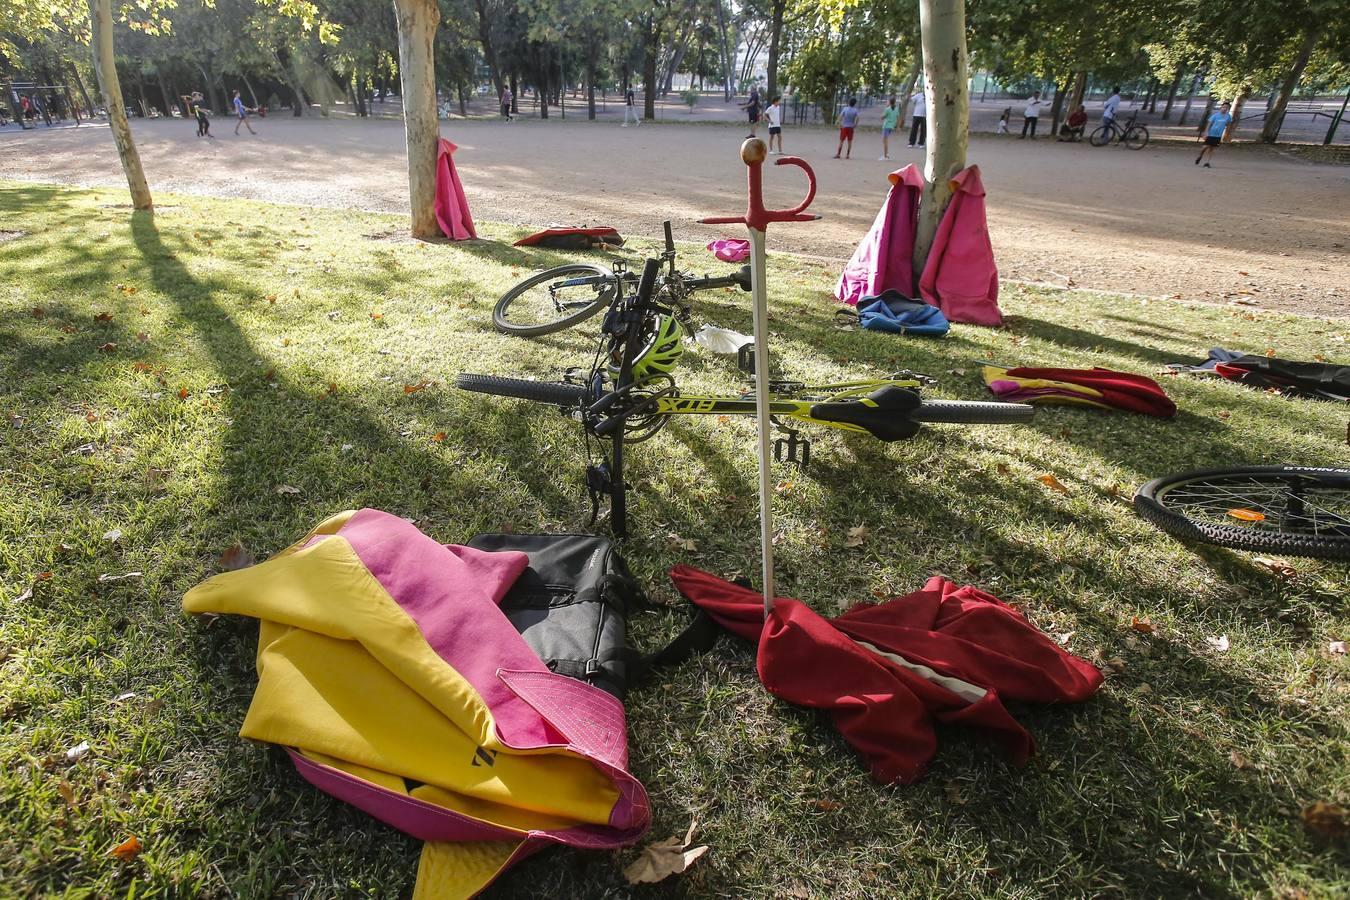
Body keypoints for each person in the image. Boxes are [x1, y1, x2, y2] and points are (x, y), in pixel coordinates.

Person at [1195, 100, 1232, 168]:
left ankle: (1207, 162)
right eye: (1223, 107)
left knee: (1212, 148)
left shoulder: (1228, 117)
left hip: (1218, 135)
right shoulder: (1215, 116)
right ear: (1221, 108)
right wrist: (1206, 133)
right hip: (1210, 134)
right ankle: (1200, 156)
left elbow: (1228, 125)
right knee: (1205, 147)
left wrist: (1227, 134)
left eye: (1226, 107)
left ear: (1228, 109)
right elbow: (1209, 124)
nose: (1225, 109)